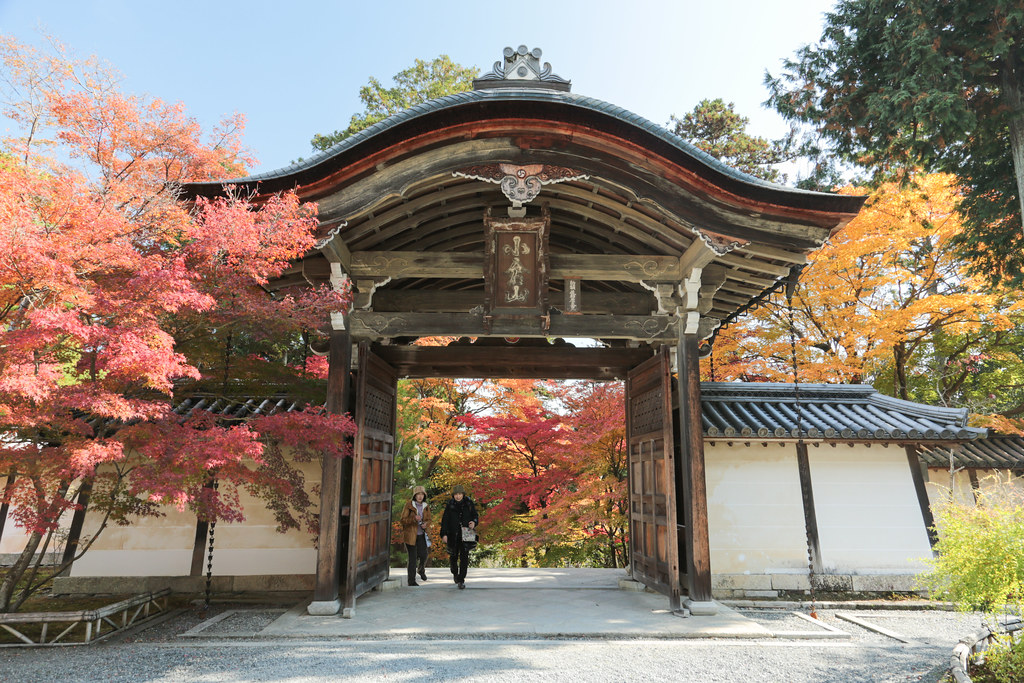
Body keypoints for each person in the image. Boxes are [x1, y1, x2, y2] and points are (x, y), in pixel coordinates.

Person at [440, 483, 478, 589]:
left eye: (460, 494)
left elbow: (475, 515)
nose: (458, 496)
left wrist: (474, 522)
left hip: (466, 534)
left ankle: (461, 579)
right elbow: (445, 520)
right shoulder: (450, 505)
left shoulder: (469, 503)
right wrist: (444, 534)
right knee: (453, 556)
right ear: (453, 495)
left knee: (464, 557)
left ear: (463, 494)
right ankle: (455, 573)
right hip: (453, 534)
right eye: (456, 494)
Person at [399, 485, 431, 586]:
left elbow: (429, 519)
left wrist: (426, 524)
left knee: (424, 555)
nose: (420, 496)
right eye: (418, 494)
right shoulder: (409, 505)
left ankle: (421, 570)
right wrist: (413, 519)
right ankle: (411, 581)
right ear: (415, 496)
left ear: (424, 496)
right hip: (410, 536)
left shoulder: (426, 506)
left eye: (422, 494)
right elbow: (402, 520)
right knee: (412, 558)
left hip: (422, 534)